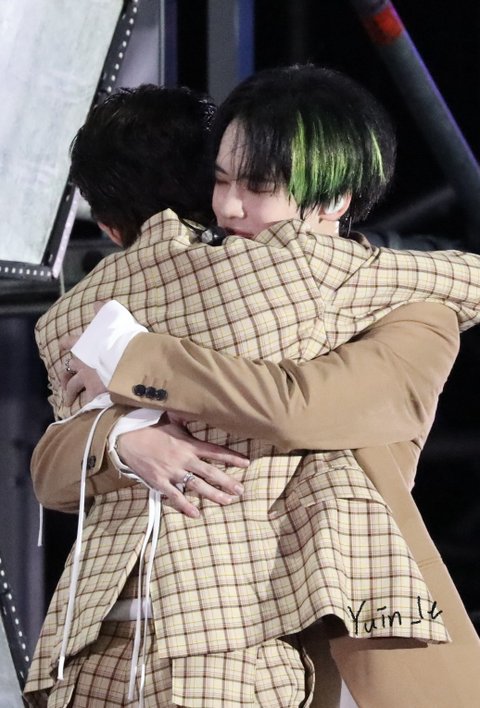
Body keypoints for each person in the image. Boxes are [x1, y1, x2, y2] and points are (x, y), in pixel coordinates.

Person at [25, 66, 480, 707]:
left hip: (269, 634)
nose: (229, 207)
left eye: (258, 187)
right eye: (220, 181)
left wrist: (133, 357)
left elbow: (297, 405)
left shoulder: (414, 314)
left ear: (334, 199)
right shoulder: (195, 290)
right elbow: (51, 465)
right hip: (108, 636)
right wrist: (125, 438)